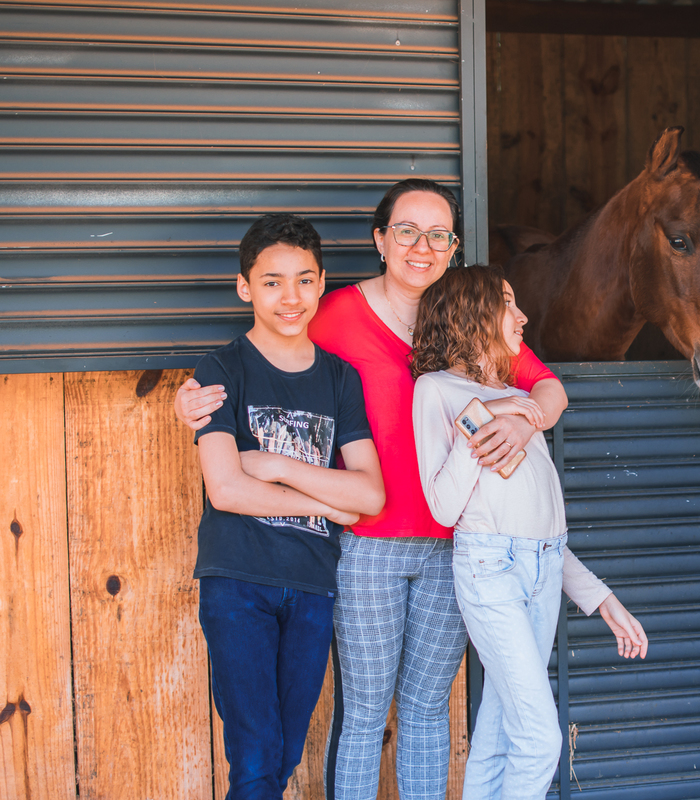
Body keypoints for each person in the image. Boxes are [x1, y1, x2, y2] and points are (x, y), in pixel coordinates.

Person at [174, 180, 569, 800]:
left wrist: (526, 418)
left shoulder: (467, 319)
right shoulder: (329, 314)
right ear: (380, 239)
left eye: (439, 235)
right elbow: (272, 352)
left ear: (454, 247)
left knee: (425, 707)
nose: (423, 247)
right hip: (365, 544)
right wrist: (193, 401)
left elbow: (546, 388)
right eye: (407, 231)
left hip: (454, 547)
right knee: (362, 710)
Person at [410, 264, 648, 799]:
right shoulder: (437, 391)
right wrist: (483, 418)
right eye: (507, 304)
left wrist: (601, 599)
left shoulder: (519, 399)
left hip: (541, 572)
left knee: (497, 733)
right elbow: (444, 509)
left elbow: (541, 530)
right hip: (489, 572)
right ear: (473, 315)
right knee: (541, 739)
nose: (522, 316)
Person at [191, 213, 386, 799]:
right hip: (238, 584)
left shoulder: (339, 379)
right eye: (272, 281)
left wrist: (276, 467)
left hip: (311, 585)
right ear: (245, 288)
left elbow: (370, 495)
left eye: (304, 279)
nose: (290, 296)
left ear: (323, 282)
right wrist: (330, 501)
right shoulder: (221, 370)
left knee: (285, 752)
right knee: (256, 758)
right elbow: (225, 489)